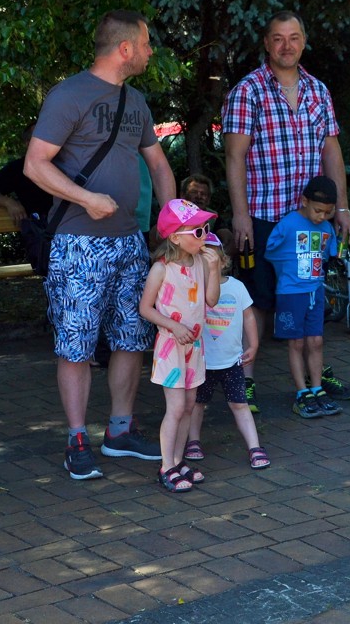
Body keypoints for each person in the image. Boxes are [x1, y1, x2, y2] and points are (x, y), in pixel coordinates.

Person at [24, 10, 176, 480]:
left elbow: (159, 166)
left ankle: (119, 431)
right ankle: (76, 438)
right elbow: (35, 164)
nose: (150, 52)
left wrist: (172, 224)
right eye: (146, 44)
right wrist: (86, 198)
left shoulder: (136, 101)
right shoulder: (69, 95)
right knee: (76, 344)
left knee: (132, 336)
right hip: (78, 243)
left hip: (130, 241)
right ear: (125, 48)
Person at [222, 10, 350, 413]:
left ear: (303, 42)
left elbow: (331, 151)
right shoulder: (248, 91)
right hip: (265, 217)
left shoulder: (318, 90)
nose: (286, 45)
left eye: (294, 37)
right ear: (267, 43)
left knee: (309, 295)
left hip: (311, 223)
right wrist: (240, 215)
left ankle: (314, 374)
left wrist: (342, 207)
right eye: (278, 38)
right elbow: (234, 157)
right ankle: (243, 382)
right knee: (259, 301)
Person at [138, 199, 221, 492]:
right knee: (175, 408)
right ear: (175, 238)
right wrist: (173, 326)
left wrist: (214, 269)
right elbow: (145, 308)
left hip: (194, 347)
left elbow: (211, 301)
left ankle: (178, 459)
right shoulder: (161, 270)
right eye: (197, 231)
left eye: (206, 229)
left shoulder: (201, 262)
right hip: (170, 347)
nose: (204, 236)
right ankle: (166, 466)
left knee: (188, 405)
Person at [183, 240, 269, 470]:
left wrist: (254, 344)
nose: (206, 266)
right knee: (196, 404)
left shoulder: (237, 287)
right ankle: (193, 441)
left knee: (240, 404)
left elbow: (249, 317)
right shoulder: (193, 288)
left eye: (211, 261)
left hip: (232, 362)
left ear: (223, 262)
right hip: (202, 362)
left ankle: (254, 447)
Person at [265, 176, 343, 419]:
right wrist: (286, 271)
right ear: (305, 201)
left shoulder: (327, 228)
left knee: (316, 341)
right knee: (296, 343)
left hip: (315, 292)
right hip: (290, 293)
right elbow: (270, 252)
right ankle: (301, 392)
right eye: (318, 210)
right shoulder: (288, 224)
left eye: (328, 213)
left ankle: (317, 388)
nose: (321, 217)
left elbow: (328, 255)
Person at [0, 123, 53, 229]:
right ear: (28, 144)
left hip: (69, 228)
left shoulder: (66, 163)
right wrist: (8, 202)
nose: (47, 142)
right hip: (39, 232)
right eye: (41, 139)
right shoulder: (18, 168)